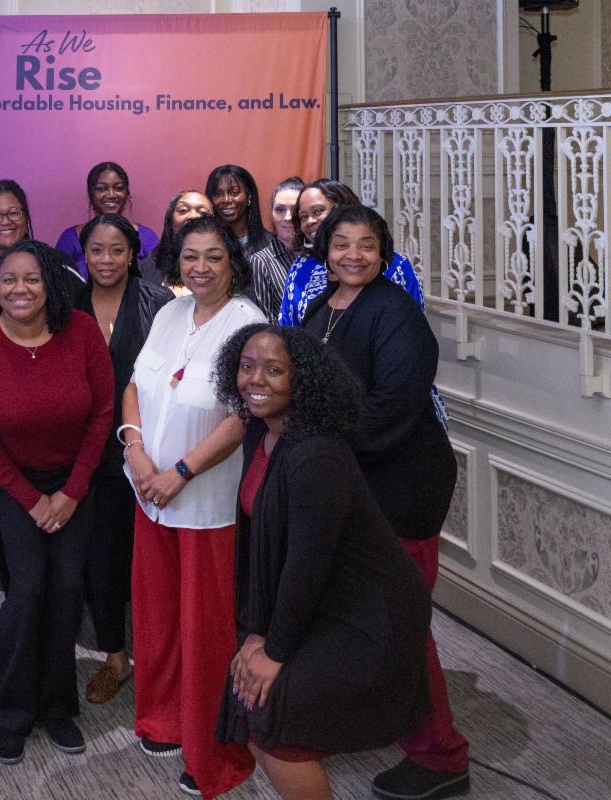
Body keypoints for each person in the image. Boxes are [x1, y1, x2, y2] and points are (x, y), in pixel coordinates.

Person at [212, 324, 433, 800]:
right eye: (247, 366)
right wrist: (254, 632)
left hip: (371, 616)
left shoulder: (316, 456)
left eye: (274, 370)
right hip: (325, 604)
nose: (256, 379)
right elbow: (263, 551)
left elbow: (304, 567)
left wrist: (273, 651)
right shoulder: (261, 434)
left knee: (272, 713)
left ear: (302, 380)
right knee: (250, 694)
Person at [300, 204, 469, 800]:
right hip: (349, 487)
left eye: (366, 245)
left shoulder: (396, 313)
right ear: (325, 251)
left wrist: (312, 438)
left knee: (399, 625)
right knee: (348, 619)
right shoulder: (323, 307)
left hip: (401, 490)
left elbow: (389, 410)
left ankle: (441, 755)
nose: (353, 255)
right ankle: (355, 722)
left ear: (384, 253)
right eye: (341, 243)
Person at [120, 214, 264, 797]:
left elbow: (243, 414)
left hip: (206, 506)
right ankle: (163, 720)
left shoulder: (247, 324)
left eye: (213, 257)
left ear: (232, 263)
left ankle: (214, 751)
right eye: (189, 256)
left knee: (206, 632)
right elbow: (134, 386)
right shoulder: (169, 312)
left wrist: (179, 473)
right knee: (157, 618)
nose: (200, 267)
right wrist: (135, 453)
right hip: (149, 496)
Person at [0, 239, 113, 764]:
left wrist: (71, 492)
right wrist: (31, 500)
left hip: (75, 480)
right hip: (13, 482)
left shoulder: (82, 331)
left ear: (49, 284)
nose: (19, 288)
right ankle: (13, 712)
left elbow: (102, 413)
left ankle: (58, 707)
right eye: (9, 280)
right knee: (26, 591)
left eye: (31, 278)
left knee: (66, 588)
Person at [74, 214, 172, 705]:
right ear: (84, 255)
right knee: (102, 563)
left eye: (116, 250)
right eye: (97, 250)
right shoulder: (66, 305)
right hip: (87, 455)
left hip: (152, 454)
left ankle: (162, 660)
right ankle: (115, 658)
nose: (107, 259)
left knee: (156, 564)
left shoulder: (160, 304)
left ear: (133, 254)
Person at [277, 179, 423, 327]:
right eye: (303, 217)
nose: (309, 221)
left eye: (318, 211)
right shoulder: (301, 267)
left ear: (342, 209)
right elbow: (288, 328)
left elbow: (413, 326)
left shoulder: (395, 265)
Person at [0, 179, 85, 302]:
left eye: (13, 213)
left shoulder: (57, 263)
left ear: (26, 217)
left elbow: (82, 307)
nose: (5, 221)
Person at [206, 164, 292, 323]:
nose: (226, 200)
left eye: (234, 192)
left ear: (249, 196)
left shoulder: (271, 246)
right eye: (218, 194)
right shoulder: (206, 247)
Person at [54, 162, 160, 278]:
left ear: (126, 193)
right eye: (101, 189)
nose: (111, 195)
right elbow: (58, 281)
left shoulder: (146, 237)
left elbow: (158, 278)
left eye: (118, 188)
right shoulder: (70, 238)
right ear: (91, 194)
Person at [137, 189, 213, 292]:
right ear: (170, 222)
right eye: (183, 210)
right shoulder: (145, 269)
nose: (192, 216)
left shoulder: (227, 268)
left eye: (202, 212)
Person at [268, 176, 304, 258]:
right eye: (280, 210)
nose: (288, 217)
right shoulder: (259, 261)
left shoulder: (321, 254)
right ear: (272, 212)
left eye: (296, 209)